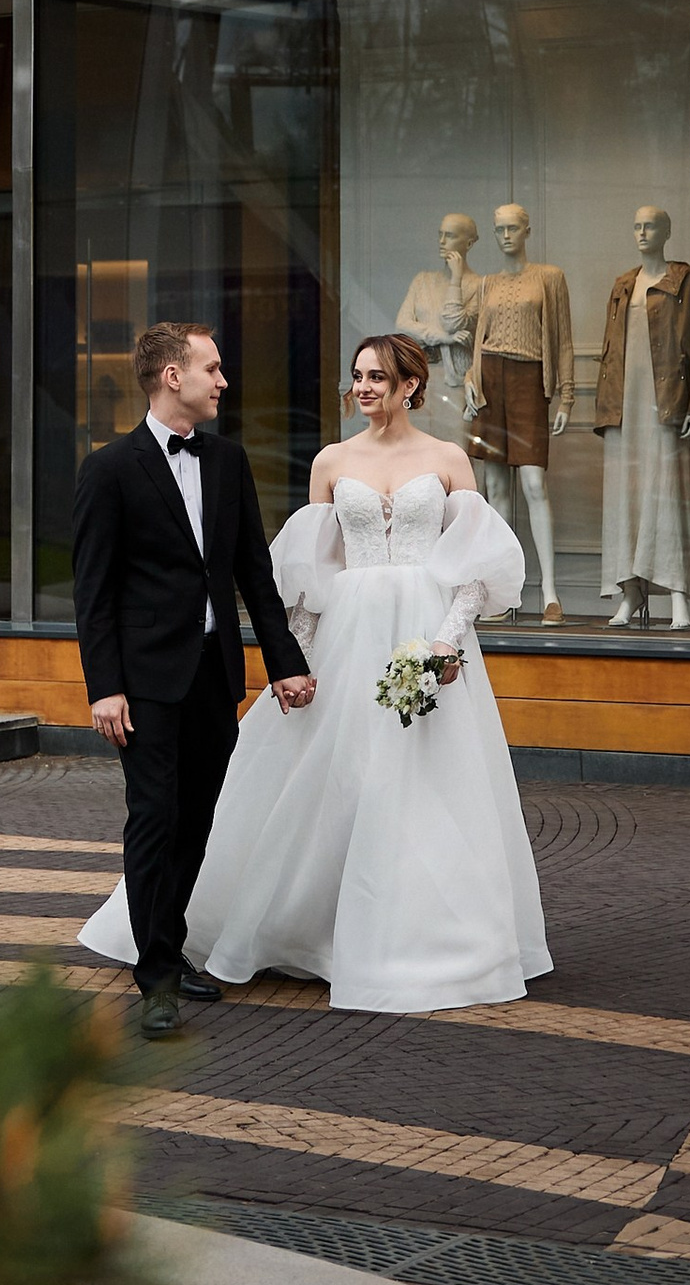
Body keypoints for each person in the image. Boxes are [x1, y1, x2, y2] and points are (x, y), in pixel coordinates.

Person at [79, 332, 550, 1014]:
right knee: (314, 785)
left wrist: (446, 643)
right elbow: (302, 579)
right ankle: (168, 959)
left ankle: (426, 937)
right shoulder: (328, 461)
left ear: (411, 385)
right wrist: (294, 663)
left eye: (377, 378)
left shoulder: (448, 459)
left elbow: (471, 567)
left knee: (424, 785)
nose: (362, 388)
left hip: (423, 631)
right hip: (342, 637)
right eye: (356, 376)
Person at [70, 321, 314, 1043]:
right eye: (212, 367)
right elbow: (94, 592)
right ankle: (157, 980)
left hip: (213, 677)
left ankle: (167, 948)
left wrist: (286, 662)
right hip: (142, 684)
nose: (223, 381)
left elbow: (252, 576)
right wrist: (103, 686)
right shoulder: (109, 469)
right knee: (154, 818)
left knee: (197, 821)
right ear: (172, 376)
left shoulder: (229, 462)